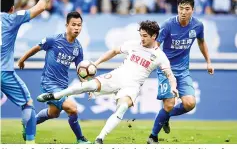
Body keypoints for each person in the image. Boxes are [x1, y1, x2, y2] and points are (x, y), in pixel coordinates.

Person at [37, 20, 179, 144]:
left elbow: (170, 75)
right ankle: (55, 95)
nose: (141, 39)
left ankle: (100, 138)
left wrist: (173, 87)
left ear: (154, 36)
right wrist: (96, 63)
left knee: (122, 107)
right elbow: (114, 51)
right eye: (140, 35)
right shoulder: (133, 44)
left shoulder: (160, 56)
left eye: (145, 36)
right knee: (88, 85)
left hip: (132, 86)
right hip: (117, 76)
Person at [147, 0, 214, 144]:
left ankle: (166, 117)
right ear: (177, 9)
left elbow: (202, 42)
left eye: (187, 9)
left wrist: (208, 62)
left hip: (183, 70)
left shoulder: (197, 26)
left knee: (190, 103)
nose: (183, 12)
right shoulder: (168, 24)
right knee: (169, 103)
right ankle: (153, 136)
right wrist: (154, 59)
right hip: (166, 69)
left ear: (193, 10)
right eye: (181, 8)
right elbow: (156, 44)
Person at [18, 11, 91, 144]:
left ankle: (29, 123)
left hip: (62, 86)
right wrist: (22, 60)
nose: (77, 28)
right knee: (73, 108)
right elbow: (36, 48)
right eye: (73, 25)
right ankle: (80, 139)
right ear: (66, 25)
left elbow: (80, 70)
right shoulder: (53, 40)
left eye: (79, 25)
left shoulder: (78, 48)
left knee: (53, 114)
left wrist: (88, 85)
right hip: (49, 83)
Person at [1, 0, 54, 144]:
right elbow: (41, 6)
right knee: (27, 103)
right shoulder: (12, 18)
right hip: (3, 71)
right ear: (12, 8)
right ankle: (30, 144)